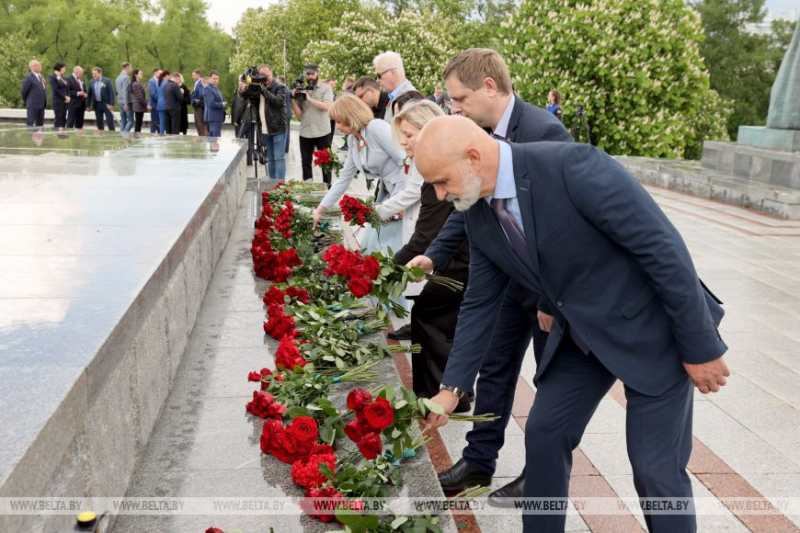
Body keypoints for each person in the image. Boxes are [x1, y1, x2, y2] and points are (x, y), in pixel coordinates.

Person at [417, 115, 729, 533]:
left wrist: (701, 346)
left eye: (441, 181)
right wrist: (451, 389)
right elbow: (479, 301)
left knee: (655, 469)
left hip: (650, 330)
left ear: (473, 158)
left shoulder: (572, 166)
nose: (440, 194)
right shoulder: (477, 209)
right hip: (581, 336)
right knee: (545, 434)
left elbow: (663, 249)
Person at [407, 48, 572, 501]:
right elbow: (469, 204)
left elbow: (561, 229)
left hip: (546, 290)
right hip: (503, 280)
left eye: (458, 99)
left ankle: (542, 474)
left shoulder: (544, 131)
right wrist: (437, 255)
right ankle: (479, 463)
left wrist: (548, 300)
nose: (453, 108)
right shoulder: (474, 134)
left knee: (551, 382)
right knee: (495, 369)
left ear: (489, 88)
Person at [389, 100, 471, 409]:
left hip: (463, 261)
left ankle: (439, 394)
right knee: (441, 318)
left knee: (428, 314)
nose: (404, 141)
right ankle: (453, 392)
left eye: (409, 134)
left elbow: (426, 236)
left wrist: (381, 271)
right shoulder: (434, 168)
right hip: (456, 257)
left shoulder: (441, 171)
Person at [311, 93, 406, 255]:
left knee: (380, 248)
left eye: (339, 121)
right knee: (367, 244)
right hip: (386, 196)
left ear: (351, 116)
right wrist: (320, 209)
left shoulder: (376, 128)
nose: (337, 126)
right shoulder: (353, 141)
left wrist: (398, 202)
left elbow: (404, 161)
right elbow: (343, 180)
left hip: (401, 196)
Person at [292, 64, 334, 187]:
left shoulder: (326, 88)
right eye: (308, 74)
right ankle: (308, 187)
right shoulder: (301, 89)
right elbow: (299, 115)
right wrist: (293, 100)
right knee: (305, 161)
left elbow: (327, 106)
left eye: (312, 74)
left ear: (317, 73)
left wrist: (309, 98)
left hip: (322, 131)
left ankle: (327, 186)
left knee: (326, 161)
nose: (310, 76)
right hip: (305, 132)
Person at [257, 64, 288, 180]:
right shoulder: (259, 87)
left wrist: (263, 90)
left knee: (279, 158)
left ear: (272, 73)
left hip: (278, 128)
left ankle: (280, 185)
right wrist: (244, 89)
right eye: (262, 75)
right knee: (270, 158)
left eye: (267, 75)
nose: (265, 77)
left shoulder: (280, 87)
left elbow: (278, 101)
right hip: (265, 129)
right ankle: (271, 183)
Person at [373, 51, 416, 124]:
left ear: (392, 73)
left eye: (379, 76)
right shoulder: (393, 97)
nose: (377, 80)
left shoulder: (409, 100)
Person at [232, 76, 255, 165]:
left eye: (240, 80)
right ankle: (249, 160)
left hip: (242, 120)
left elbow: (239, 106)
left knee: (239, 140)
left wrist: (235, 119)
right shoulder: (251, 91)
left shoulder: (241, 92)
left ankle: (240, 161)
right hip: (252, 120)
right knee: (250, 141)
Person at [87, 67, 116, 131]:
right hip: (97, 104)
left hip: (107, 104)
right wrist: (88, 105)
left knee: (109, 121)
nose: (93, 75)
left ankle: (112, 135)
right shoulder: (91, 82)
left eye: (95, 74)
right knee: (99, 122)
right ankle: (100, 135)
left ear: (100, 73)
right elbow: (89, 95)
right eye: (93, 74)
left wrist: (112, 104)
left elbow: (112, 93)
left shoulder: (107, 81)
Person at [21, 59, 47, 127]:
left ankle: (39, 137)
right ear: (32, 67)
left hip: (41, 105)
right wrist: (27, 101)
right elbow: (24, 91)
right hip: (33, 105)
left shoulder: (41, 77)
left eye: (40, 65)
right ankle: (29, 137)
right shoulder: (29, 77)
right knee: (30, 123)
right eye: (38, 65)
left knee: (40, 124)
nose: (40, 66)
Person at [203, 70, 225, 138]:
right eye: (214, 78)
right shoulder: (208, 88)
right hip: (213, 118)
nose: (216, 80)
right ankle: (214, 149)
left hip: (217, 118)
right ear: (209, 78)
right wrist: (222, 105)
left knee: (214, 140)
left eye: (217, 78)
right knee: (215, 139)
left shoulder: (215, 88)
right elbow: (211, 103)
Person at [49, 62, 70, 130]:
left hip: (65, 101)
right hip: (58, 100)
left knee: (63, 117)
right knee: (59, 117)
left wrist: (68, 96)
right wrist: (64, 97)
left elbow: (67, 88)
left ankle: (62, 135)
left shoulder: (64, 78)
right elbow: (55, 89)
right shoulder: (52, 77)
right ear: (60, 68)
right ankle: (56, 133)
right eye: (64, 68)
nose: (65, 70)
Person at [115, 62, 133, 132]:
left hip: (119, 101)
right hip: (126, 102)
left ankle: (121, 136)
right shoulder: (126, 78)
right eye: (130, 68)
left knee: (123, 120)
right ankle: (124, 134)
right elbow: (125, 91)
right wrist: (126, 103)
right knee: (131, 120)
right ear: (127, 68)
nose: (131, 69)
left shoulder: (118, 77)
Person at [276, 75, 292, 154]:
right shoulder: (288, 89)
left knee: (285, 132)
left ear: (280, 81)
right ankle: (286, 148)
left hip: (284, 113)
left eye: (277, 80)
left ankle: (284, 148)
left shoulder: (283, 89)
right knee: (287, 131)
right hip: (288, 113)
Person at [191, 69, 208, 136]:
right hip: (198, 105)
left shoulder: (200, 83)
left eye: (193, 75)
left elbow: (201, 94)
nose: (192, 77)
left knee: (199, 123)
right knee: (198, 123)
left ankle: (202, 137)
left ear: (198, 75)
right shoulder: (197, 83)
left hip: (199, 106)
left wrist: (196, 99)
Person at [156, 70, 171, 134]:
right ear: (167, 75)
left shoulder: (160, 83)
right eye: (170, 76)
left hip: (159, 103)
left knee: (161, 122)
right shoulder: (166, 83)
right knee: (166, 122)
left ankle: (161, 133)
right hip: (165, 104)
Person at [147, 69, 161, 133]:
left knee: (158, 122)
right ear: (155, 73)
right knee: (154, 122)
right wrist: (160, 100)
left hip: (158, 105)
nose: (161, 75)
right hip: (154, 105)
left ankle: (159, 134)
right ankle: (152, 134)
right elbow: (153, 94)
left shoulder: (159, 81)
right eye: (160, 73)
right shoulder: (151, 82)